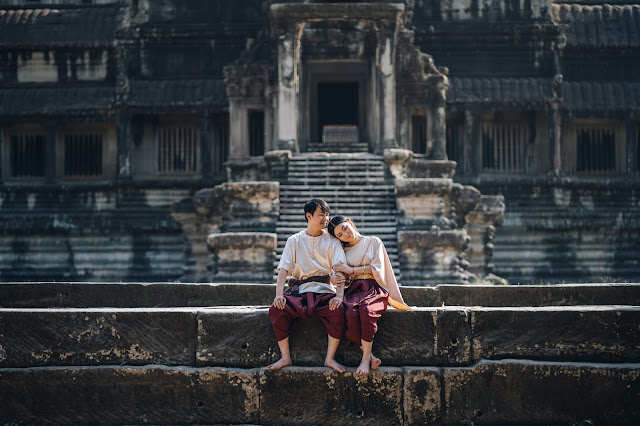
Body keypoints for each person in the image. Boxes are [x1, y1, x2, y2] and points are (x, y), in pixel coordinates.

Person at [268, 199, 348, 373]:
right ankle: (285, 357)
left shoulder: (333, 241)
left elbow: (340, 270)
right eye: (321, 215)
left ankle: (329, 358)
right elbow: (283, 270)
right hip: (300, 290)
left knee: (339, 311)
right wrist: (279, 295)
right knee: (277, 310)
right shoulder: (294, 240)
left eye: (327, 215)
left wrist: (339, 295)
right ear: (309, 216)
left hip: (324, 290)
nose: (325, 220)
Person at [328, 215, 410, 375]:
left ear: (350, 222)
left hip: (373, 288)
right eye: (340, 235)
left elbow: (377, 268)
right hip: (353, 290)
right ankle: (371, 356)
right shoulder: (343, 251)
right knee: (349, 313)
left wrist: (350, 270)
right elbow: (340, 275)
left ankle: (365, 359)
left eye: (345, 228)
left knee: (366, 311)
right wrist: (340, 279)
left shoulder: (373, 242)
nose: (345, 234)